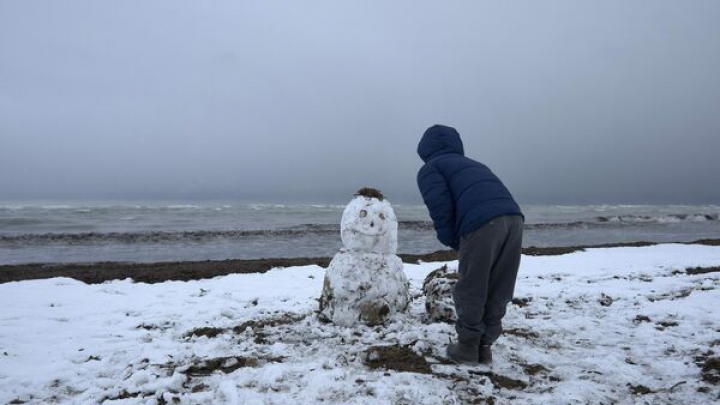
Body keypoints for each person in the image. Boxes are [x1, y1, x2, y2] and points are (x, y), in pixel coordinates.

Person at [416, 124, 524, 365]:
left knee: (472, 286)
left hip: (482, 223)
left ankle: (466, 347)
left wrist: (453, 239)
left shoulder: (431, 168)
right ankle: (484, 347)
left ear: (424, 148)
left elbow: (439, 205)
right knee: (499, 285)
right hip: (514, 219)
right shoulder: (476, 165)